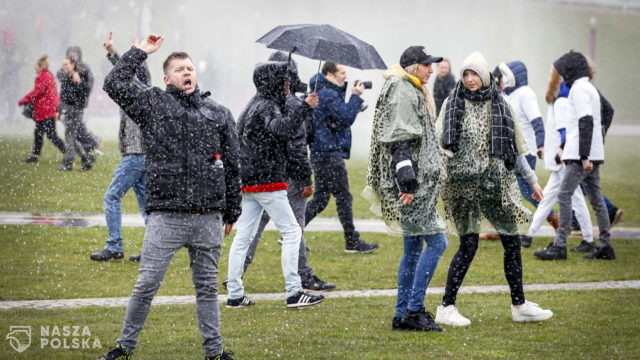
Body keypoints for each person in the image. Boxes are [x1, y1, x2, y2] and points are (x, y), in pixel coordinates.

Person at [99, 34, 240, 360]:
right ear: (167, 78)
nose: (187, 72)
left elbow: (233, 164)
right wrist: (139, 52)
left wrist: (231, 210)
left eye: (190, 68)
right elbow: (114, 83)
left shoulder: (218, 112)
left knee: (206, 289)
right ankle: (124, 347)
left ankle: (215, 352)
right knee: (146, 285)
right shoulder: (154, 103)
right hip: (166, 215)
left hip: (208, 216)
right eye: (179, 69)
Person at [434, 51, 553, 327]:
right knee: (468, 245)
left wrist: (532, 180)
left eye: (474, 73)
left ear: (485, 75)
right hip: (461, 187)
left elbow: (515, 146)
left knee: (511, 240)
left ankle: (519, 304)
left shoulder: (500, 103)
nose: (470, 79)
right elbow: (440, 146)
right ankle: (446, 306)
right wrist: (433, 182)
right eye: (466, 74)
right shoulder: (453, 102)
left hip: (493, 185)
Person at [230, 51, 335, 292]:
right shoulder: (281, 104)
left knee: (249, 231)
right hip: (277, 178)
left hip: (255, 177)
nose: (288, 82)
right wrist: (304, 176)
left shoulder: (257, 103)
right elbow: (294, 141)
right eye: (286, 78)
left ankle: (235, 281)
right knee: (292, 229)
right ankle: (298, 283)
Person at [363, 45, 448, 332]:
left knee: (412, 249)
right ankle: (413, 310)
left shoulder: (408, 87)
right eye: (426, 65)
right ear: (413, 66)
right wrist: (408, 183)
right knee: (438, 242)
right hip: (413, 187)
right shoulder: (402, 90)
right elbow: (399, 140)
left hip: (416, 184)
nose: (431, 70)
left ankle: (402, 315)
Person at [534, 51, 614, 261]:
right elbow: (605, 113)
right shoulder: (589, 88)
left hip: (580, 153)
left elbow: (585, 121)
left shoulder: (578, 89)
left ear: (571, 70)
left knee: (564, 195)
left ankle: (560, 245)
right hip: (590, 152)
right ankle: (605, 245)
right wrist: (596, 144)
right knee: (596, 199)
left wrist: (585, 155)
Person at [305, 62, 378, 253]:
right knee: (343, 198)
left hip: (322, 152)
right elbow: (344, 118)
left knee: (321, 199)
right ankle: (352, 241)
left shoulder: (322, 91)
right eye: (342, 73)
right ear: (329, 73)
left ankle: (291, 233)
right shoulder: (328, 94)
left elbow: (337, 118)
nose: (345, 76)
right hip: (329, 154)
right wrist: (355, 97)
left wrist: (352, 101)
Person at [90, 32, 150, 262]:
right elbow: (124, 71)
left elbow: (131, 73)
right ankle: (151, 250)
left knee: (111, 197)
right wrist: (113, 53)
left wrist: (135, 52)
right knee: (147, 207)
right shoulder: (137, 92)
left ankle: (114, 246)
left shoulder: (139, 91)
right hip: (143, 156)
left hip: (135, 155)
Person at [527, 80, 595, 251]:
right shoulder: (560, 102)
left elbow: (564, 131)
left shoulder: (561, 103)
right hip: (560, 162)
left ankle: (588, 240)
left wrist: (560, 152)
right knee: (548, 197)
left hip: (563, 161)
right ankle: (529, 235)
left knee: (576, 199)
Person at [503, 61, 558, 247]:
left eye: (506, 74)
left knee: (529, 192)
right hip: (512, 152)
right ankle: (511, 229)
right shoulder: (511, 94)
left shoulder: (525, 94)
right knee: (515, 192)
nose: (504, 78)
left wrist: (541, 144)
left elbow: (537, 121)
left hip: (525, 152)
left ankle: (555, 219)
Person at [18, 55, 65, 163]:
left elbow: (37, 92)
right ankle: (35, 155)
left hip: (45, 111)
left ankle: (67, 152)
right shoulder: (49, 75)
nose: (34, 68)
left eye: (36, 66)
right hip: (48, 109)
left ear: (40, 66)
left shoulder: (42, 77)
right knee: (42, 133)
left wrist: (24, 100)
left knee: (49, 134)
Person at [56, 55, 97, 171]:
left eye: (66, 64)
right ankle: (87, 160)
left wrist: (79, 83)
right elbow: (63, 96)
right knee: (72, 138)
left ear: (72, 65)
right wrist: (58, 110)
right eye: (63, 65)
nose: (64, 67)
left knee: (70, 137)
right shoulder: (66, 77)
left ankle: (69, 163)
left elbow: (85, 93)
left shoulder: (78, 76)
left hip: (76, 111)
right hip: (68, 111)